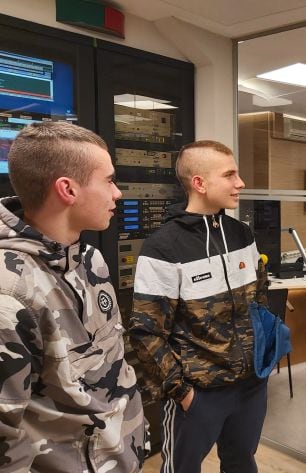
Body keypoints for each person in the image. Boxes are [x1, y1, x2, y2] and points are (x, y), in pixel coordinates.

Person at [0, 122, 146, 472]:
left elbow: (114, 364)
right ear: (68, 189)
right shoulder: (10, 294)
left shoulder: (89, 259)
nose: (118, 194)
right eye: (109, 180)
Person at [128, 140, 269, 473]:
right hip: (199, 394)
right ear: (200, 183)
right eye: (230, 175)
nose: (240, 183)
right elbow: (146, 332)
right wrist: (181, 392)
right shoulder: (163, 246)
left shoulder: (242, 233)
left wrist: (264, 357)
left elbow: (259, 298)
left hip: (250, 385)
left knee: (241, 463)